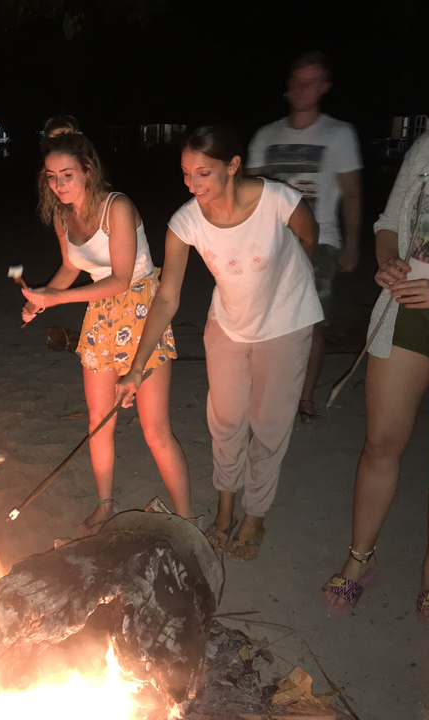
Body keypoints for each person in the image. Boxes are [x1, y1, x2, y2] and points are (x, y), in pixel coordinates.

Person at [321, 21, 429, 626]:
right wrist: (388, 262)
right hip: (404, 313)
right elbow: (388, 220)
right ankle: (359, 558)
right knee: (381, 442)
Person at [119, 125, 322, 560]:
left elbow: (309, 235)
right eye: (186, 174)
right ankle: (226, 508)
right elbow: (167, 296)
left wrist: (288, 284)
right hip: (228, 324)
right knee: (226, 422)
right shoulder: (186, 221)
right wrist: (137, 366)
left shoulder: (278, 200)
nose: (193, 185)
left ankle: (256, 514)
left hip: (286, 323)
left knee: (268, 425)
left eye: (203, 173)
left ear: (233, 167)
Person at [21, 115, 192, 535]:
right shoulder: (64, 217)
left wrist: (58, 298)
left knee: (155, 431)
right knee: (100, 420)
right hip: (100, 315)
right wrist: (40, 302)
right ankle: (104, 505)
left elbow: (119, 278)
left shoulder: (118, 206)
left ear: (88, 170)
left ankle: (188, 519)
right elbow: (68, 266)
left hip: (140, 309)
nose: (60, 185)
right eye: (52, 178)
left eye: (68, 175)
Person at [246, 51, 363, 422]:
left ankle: (304, 397)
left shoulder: (338, 133)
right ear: (287, 86)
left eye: (311, 81)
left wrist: (352, 244)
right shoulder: (267, 135)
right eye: (297, 80)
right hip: (271, 242)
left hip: (320, 241)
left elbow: (352, 193)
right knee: (263, 321)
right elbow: (249, 194)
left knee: (309, 323)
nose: (302, 88)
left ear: (324, 87)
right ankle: (265, 392)